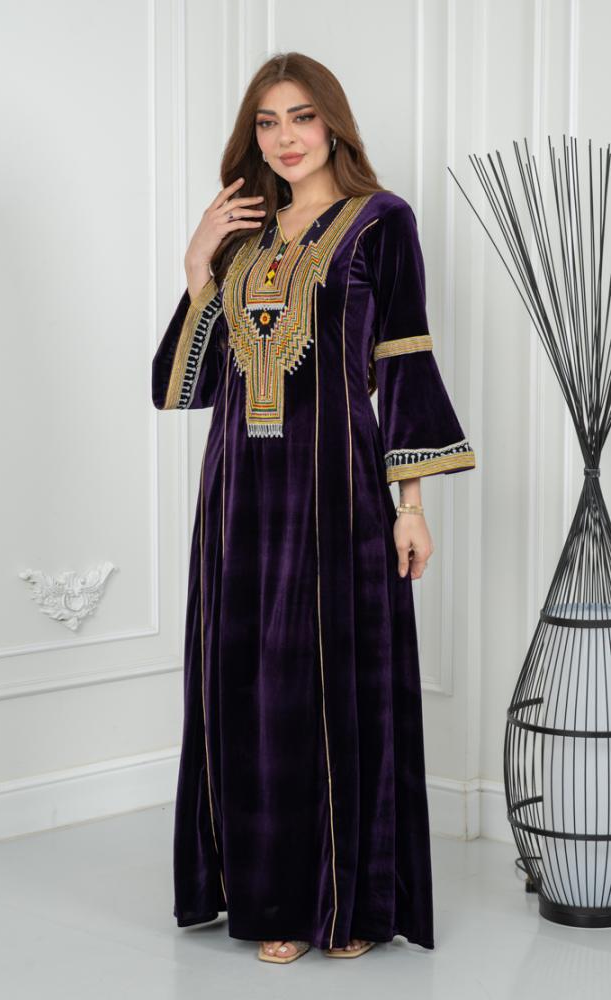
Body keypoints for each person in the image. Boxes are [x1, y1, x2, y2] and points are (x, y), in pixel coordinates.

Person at [152, 51, 476, 964]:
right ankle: (271, 900)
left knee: (328, 685)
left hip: (336, 488)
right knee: (246, 686)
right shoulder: (245, 237)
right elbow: (186, 385)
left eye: (301, 117)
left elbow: (404, 362)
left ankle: (348, 903)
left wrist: (411, 505)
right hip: (237, 496)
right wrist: (198, 263)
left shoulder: (382, 222)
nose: (285, 137)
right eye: (267, 122)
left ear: (332, 123)